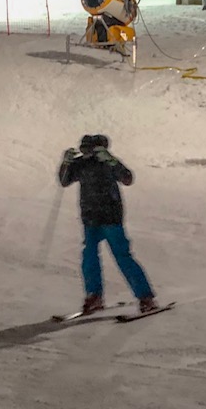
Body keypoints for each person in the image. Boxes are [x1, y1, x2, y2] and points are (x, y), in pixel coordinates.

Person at [58, 134, 158, 316]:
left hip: (111, 217)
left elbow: (127, 178)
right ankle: (94, 296)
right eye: (84, 149)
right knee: (89, 256)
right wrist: (66, 163)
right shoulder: (81, 164)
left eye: (90, 149)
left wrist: (112, 162)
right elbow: (64, 181)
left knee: (122, 256)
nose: (86, 153)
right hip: (90, 219)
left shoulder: (107, 163)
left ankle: (145, 297)